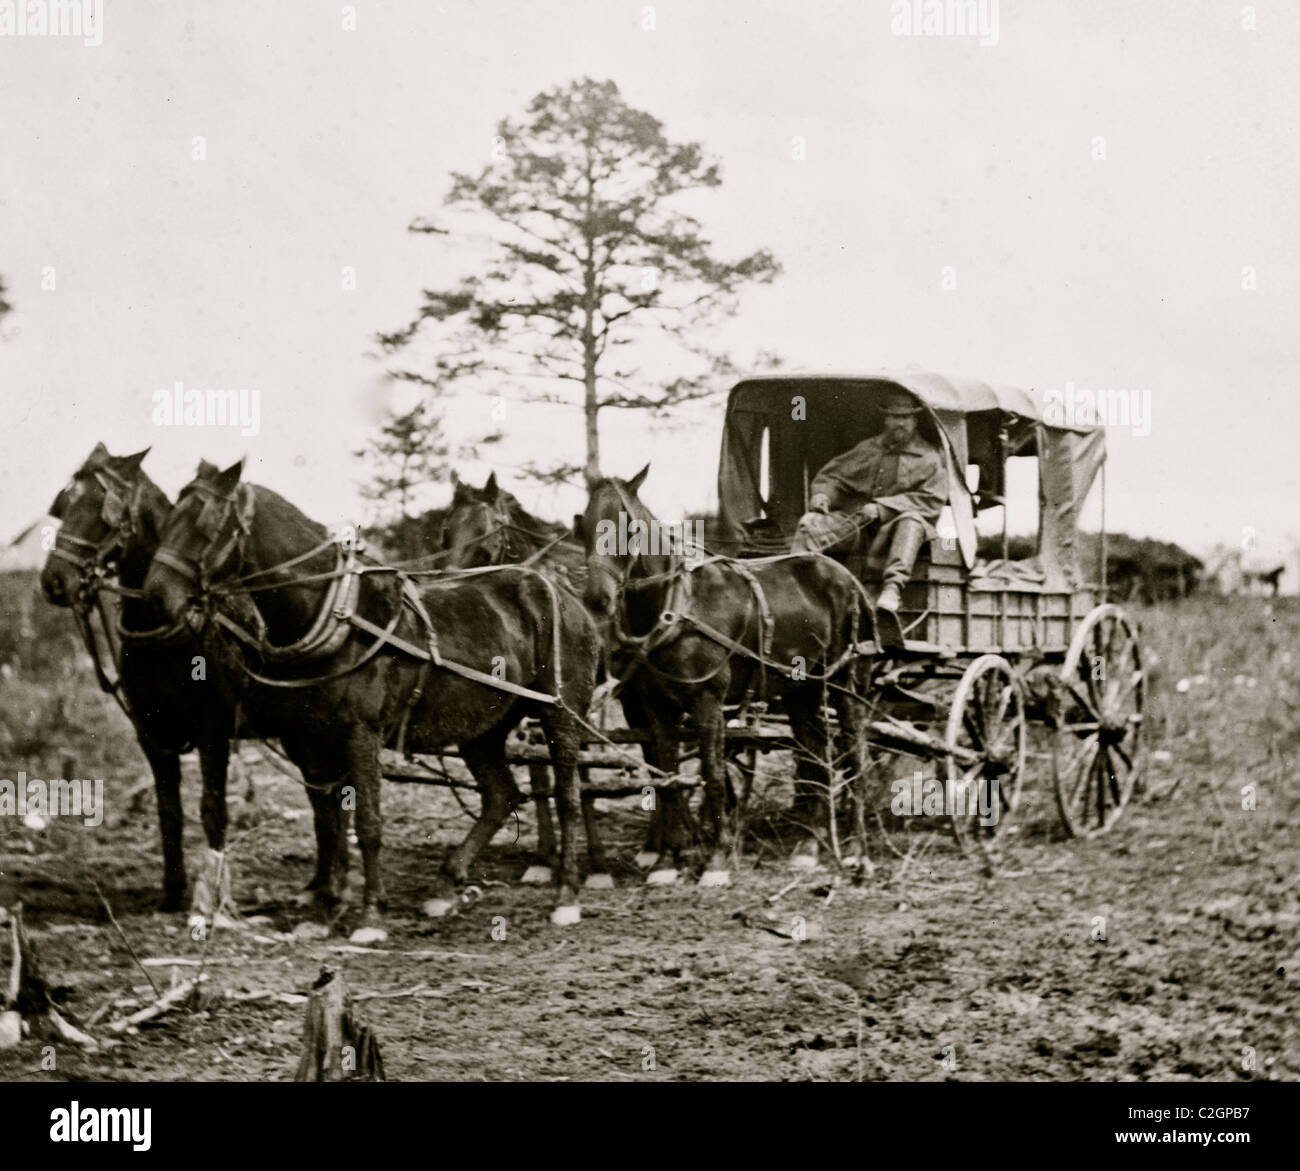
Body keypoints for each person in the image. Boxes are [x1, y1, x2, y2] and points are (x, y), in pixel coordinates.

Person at [792, 388, 947, 612]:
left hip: (897, 531)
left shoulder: (929, 458)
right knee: (810, 523)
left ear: (915, 420)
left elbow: (931, 501)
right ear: (886, 419)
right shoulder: (868, 449)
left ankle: (892, 589)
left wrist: (883, 508)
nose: (900, 423)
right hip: (858, 524)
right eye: (894, 417)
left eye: (905, 417)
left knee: (911, 521)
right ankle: (800, 589)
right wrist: (823, 495)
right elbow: (834, 477)